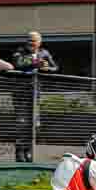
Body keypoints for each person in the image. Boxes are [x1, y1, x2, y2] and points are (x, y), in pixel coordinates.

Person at [11, 31, 59, 162]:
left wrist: (47, 69)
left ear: (39, 42)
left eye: (33, 41)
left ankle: (29, 150)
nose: (30, 43)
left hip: (35, 93)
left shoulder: (45, 53)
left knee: (34, 124)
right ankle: (20, 152)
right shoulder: (19, 52)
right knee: (22, 124)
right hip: (20, 93)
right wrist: (35, 64)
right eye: (29, 40)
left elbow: (56, 68)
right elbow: (18, 65)